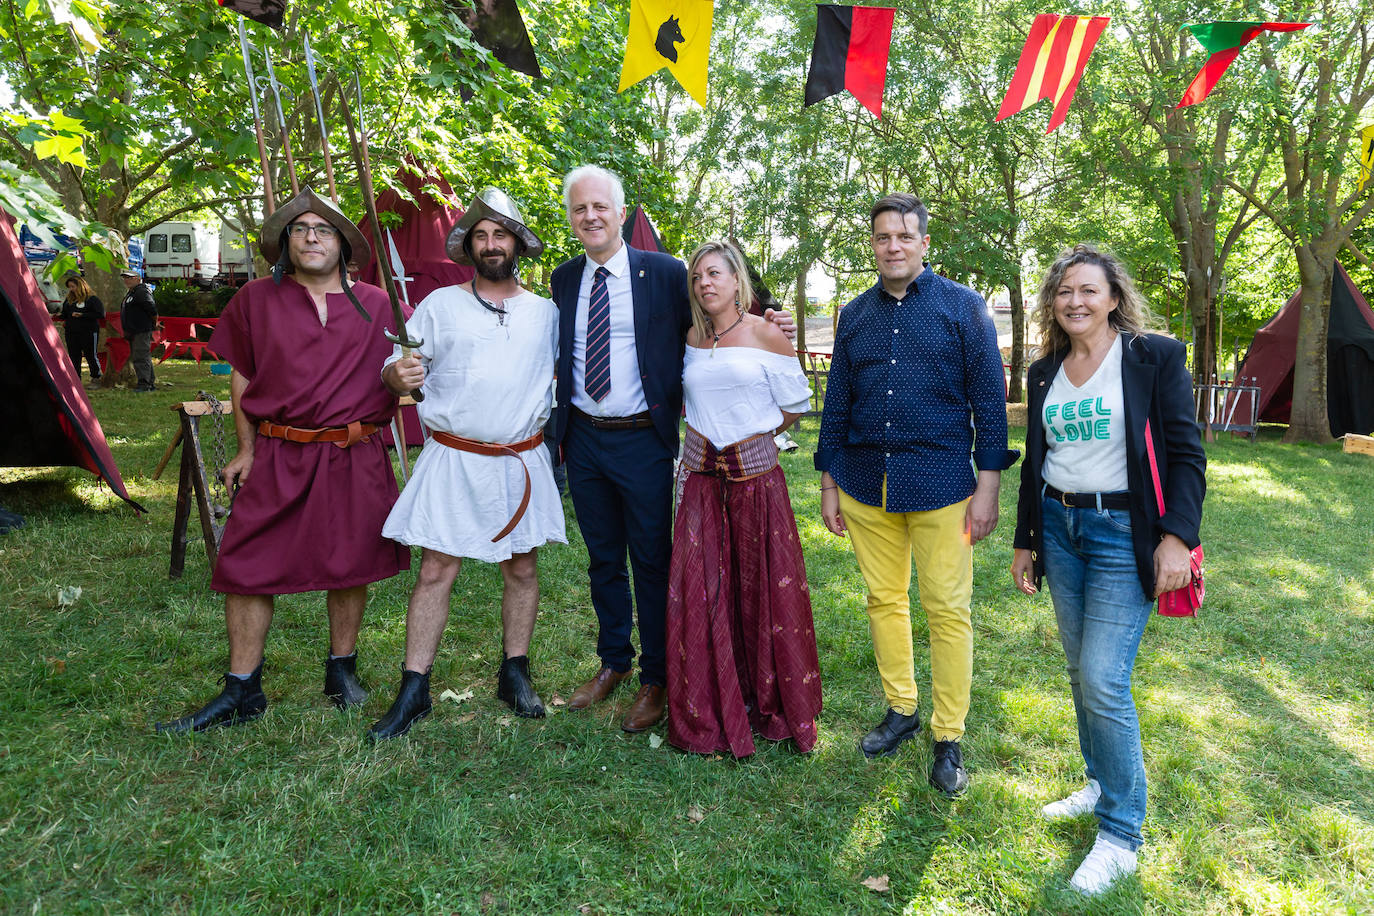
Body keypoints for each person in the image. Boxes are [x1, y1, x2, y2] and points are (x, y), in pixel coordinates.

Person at [549, 165, 794, 733]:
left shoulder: (662, 273)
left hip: (644, 441)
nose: (590, 217)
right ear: (571, 217)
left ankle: (656, 677)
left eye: (600, 208)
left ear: (619, 212)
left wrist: (770, 316)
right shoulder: (563, 280)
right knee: (603, 558)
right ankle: (613, 660)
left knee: (652, 559)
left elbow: (723, 313)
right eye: (580, 209)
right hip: (584, 439)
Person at [156, 187, 410, 734]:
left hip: (352, 451)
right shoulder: (255, 299)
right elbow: (243, 377)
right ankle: (242, 688)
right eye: (299, 230)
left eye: (322, 230)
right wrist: (246, 448)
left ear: (343, 243)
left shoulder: (379, 303)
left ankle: (341, 670)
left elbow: (411, 362)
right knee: (246, 567)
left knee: (350, 563)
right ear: (285, 243)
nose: (311, 237)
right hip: (277, 451)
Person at [1011, 243, 1204, 895]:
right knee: (1078, 669)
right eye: (1064, 291)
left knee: (1102, 677)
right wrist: (1025, 541)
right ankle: (1100, 784)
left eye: (1089, 290)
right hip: (1060, 529)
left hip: (1126, 531)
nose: (1076, 301)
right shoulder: (1045, 372)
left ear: (1114, 298)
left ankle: (1122, 835)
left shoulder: (1152, 357)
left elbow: (1187, 454)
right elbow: (1036, 462)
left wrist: (1177, 536)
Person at [816, 193, 1018, 794]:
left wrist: (988, 488)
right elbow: (837, 406)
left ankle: (948, 736)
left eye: (905, 236)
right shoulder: (852, 316)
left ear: (925, 243)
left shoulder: (965, 309)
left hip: (943, 488)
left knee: (948, 611)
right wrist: (828, 481)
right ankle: (901, 709)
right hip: (863, 484)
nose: (893, 246)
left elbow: (990, 404)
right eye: (883, 238)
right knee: (884, 601)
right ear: (873, 245)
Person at [369, 188, 565, 739]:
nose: (490, 243)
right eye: (480, 235)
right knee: (436, 570)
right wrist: (396, 376)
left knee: (523, 569)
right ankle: (414, 687)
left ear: (517, 243)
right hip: (455, 458)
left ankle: (515, 671)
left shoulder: (546, 313)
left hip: (521, 460)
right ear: (469, 247)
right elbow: (399, 364)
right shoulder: (438, 305)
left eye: (500, 234)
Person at [666, 240, 821, 758]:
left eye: (714, 274)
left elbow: (796, 406)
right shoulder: (691, 337)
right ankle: (711, 697)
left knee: (761, 591)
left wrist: (756, 441)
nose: (704, 283)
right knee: (706, 588)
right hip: (702, 485)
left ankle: (768, 698)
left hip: (755, 485)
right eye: (696, 277)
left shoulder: (767, 334)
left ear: (737, 281)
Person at [118, 268, 157, 392]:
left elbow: (151, 308)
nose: (126, 280)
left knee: (140, 357)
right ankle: (149, 383)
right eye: (125, 278)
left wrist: (154, 322)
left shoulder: (141, 291)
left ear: (138, 279)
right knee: (142, 356)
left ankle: (144, 384)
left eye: (130, 278)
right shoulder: (132, 292)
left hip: (141, 329)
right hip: (133, 330)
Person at [60, 275, 104, 382]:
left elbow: (100, 314)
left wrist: (82, 315)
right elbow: (65, 314)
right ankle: (75, 378)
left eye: (73, 286)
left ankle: (96, 376)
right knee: (74, 355)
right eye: (69, 287)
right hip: (71, 332)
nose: (71, 289)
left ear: (80, 286)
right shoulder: (69, 300)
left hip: (88, 331)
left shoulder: (92, 299)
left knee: (90, 355)